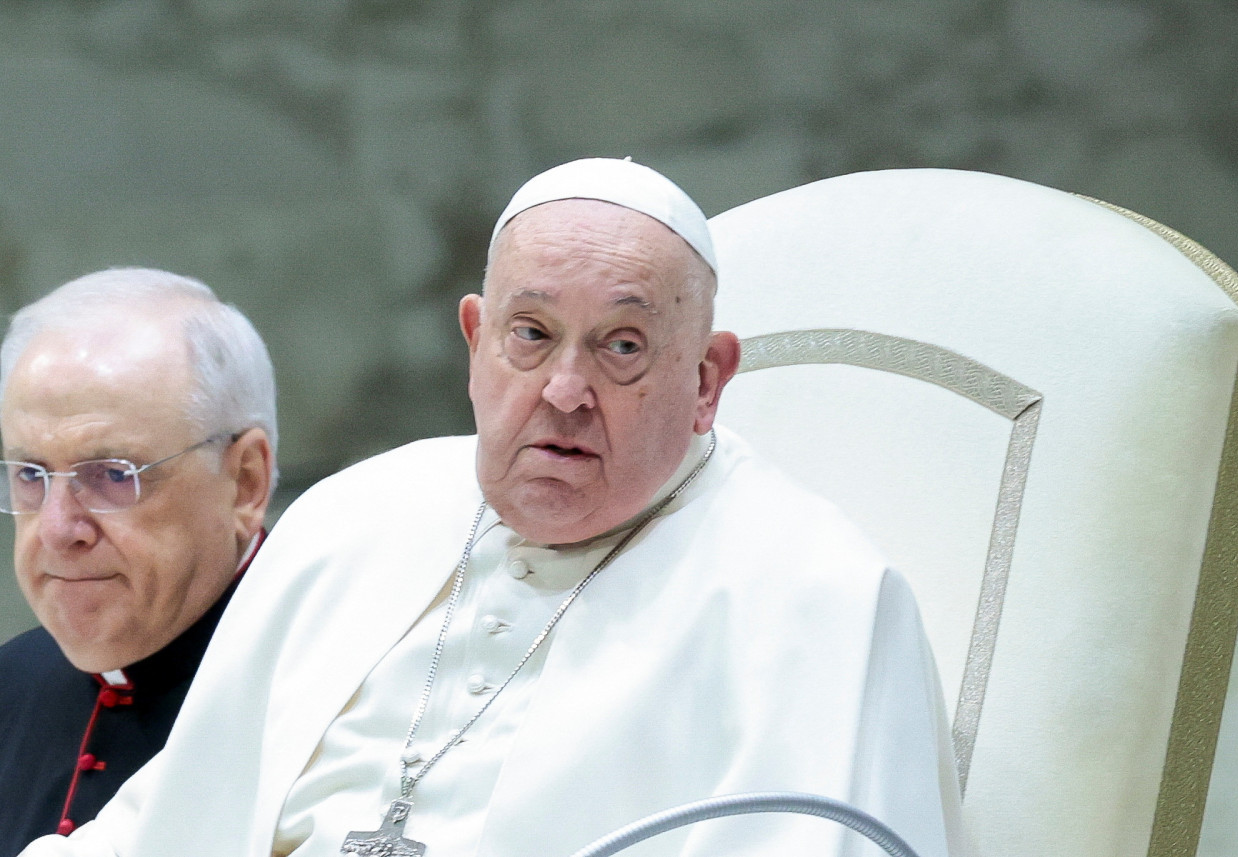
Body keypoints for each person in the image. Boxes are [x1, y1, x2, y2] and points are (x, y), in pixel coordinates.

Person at [22, 160, 964, 857]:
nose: (564, 389)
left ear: (707, 377)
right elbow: (176, 816)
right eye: (532, 334)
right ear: (477, 342)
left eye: (622, 346)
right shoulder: (352, 517)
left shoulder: (816, 600)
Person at [0, 268, 277, 855]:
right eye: (30, 475)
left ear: (245, 483)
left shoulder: (335, 687)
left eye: (111, 475)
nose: (56, 530)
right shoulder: (10, 683)